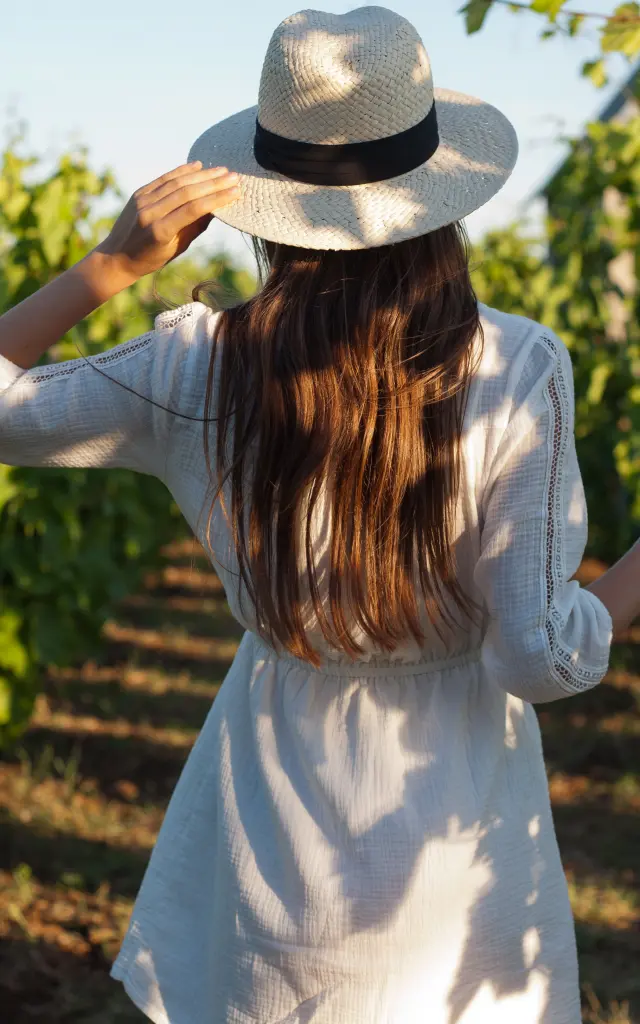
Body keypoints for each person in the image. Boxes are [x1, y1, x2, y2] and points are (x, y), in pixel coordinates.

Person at [0, 6, 637, 1023]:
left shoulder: (194, 363)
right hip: (454, 833)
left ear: (262, 198)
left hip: (270, 815)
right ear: (441, 193)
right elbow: (539, 658)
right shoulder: (518, 369)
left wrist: (107, 267)